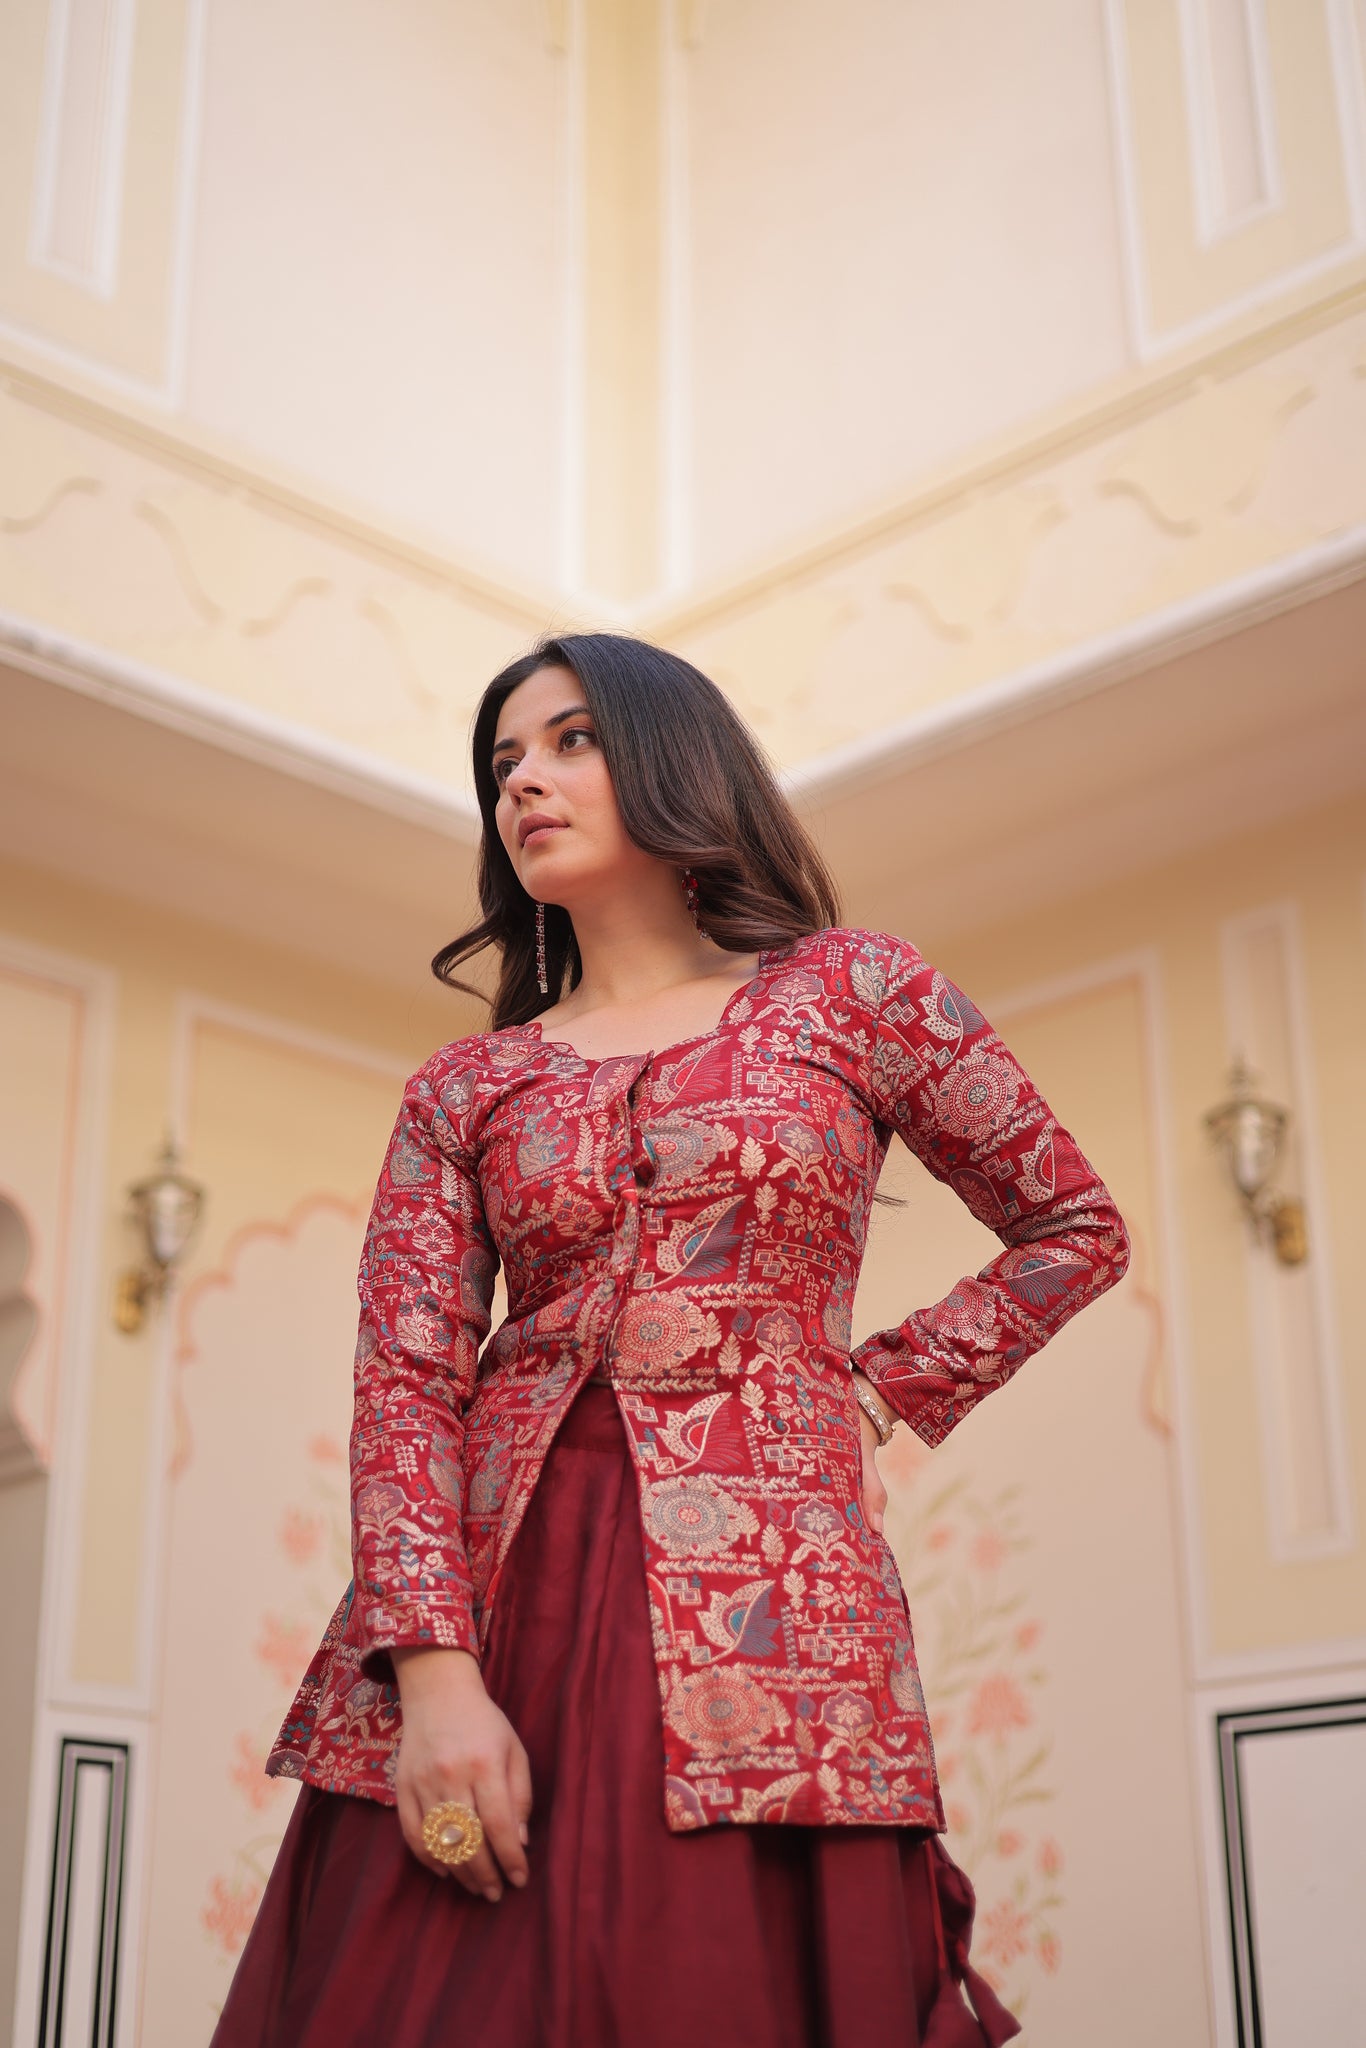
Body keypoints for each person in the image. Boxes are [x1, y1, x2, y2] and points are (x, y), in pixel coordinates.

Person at [211, 633, 1130, 2047]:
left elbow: (1070, 1227)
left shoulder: (853, 992)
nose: (524, 780)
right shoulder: (466, 1084)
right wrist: (435, 1684)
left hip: (774, 1603)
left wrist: (869, 1398)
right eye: (502, 760)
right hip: (499, 1592)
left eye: (570, 740)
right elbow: (404, 1385)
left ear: (670, 758)